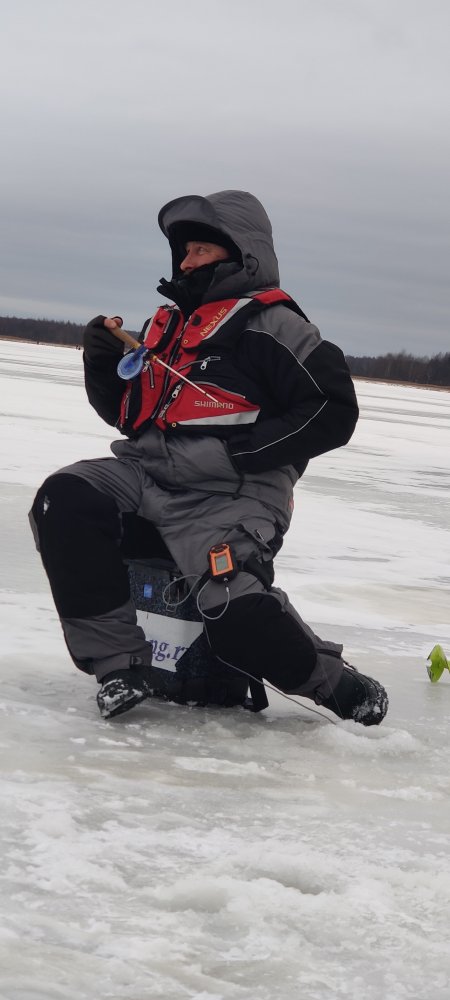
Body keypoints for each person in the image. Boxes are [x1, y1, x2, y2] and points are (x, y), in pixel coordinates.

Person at [29, 189, 388, 725]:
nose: (187, 261)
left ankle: (342, 687)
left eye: (201, 250)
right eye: (185, 251)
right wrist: (101, 365)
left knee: (238, 619)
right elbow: (128, 417)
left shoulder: (277, 326)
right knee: (65, 498)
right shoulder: (168, 326)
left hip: (230, 496)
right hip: (146, 476)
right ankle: (119, 667)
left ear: (242, 254)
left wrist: (244, 454)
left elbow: (333, 411)